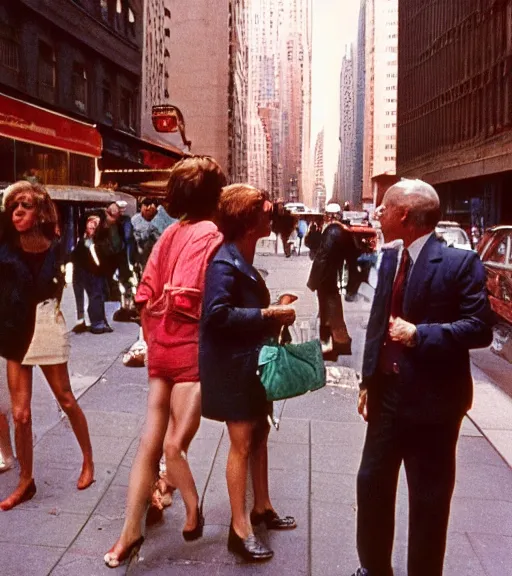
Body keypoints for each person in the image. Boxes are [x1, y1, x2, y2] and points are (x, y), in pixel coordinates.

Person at [351, 179, 494, 576]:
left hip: (433, 405)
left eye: (384, 207)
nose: (377, 213)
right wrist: (367, 380)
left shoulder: (459, 263)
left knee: (428, 502)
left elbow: (479, 329)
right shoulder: (391, 258)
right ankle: (374, 568)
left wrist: (419, 334)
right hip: (387, 399)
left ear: (405, 216)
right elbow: (379, 325)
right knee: (371, 485)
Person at [104, 156, 226, 568]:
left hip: (161, 344)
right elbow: (202, 294)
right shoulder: (214, 234)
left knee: (149, 443)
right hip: (190, 346)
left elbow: (145, 291)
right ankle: (190, 508)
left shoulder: (169, 233)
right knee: (176, 442)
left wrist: (153, 331)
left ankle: (129, 533)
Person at [200, 184, 297, 563]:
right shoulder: (224, 263)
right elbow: (216, 315)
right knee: (242, 443)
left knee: (260, 434)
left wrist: (273, 308)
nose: (271, 213)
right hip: (233, 366)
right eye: (264, 209)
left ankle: (262, 508)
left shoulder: (241, 254)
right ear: (247, 220)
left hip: (250, 361)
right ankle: (240, 529)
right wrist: (268, 314)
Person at [0, 181, 94, 511]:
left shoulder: (56, 246)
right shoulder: (3, 245)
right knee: (21, 415)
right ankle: (26, 481)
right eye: (13, 207)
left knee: (66, 398)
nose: (18, 212)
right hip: (13, 331)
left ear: (39, 211)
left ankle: (88, 461)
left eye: (25, 206)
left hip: (46, 327)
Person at [307, 202, 356, 360]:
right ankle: (337, 343)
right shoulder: (338, 230)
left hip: (327, 276)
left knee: (327, 311)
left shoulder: (332, 230)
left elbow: (322, 256)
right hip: (332, 274)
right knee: (330, 309)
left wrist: (314, 280)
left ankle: (330, 346)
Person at [70, 215, 112, 334]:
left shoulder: (99, 241)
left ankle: (99, 322)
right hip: (84, 271)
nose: (93, 225)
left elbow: (100, 258)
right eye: (91, 222)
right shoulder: (81, 241)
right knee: (90, 296)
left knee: (97, 296)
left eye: (96, 223)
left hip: (95, 272)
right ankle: (93, 322)